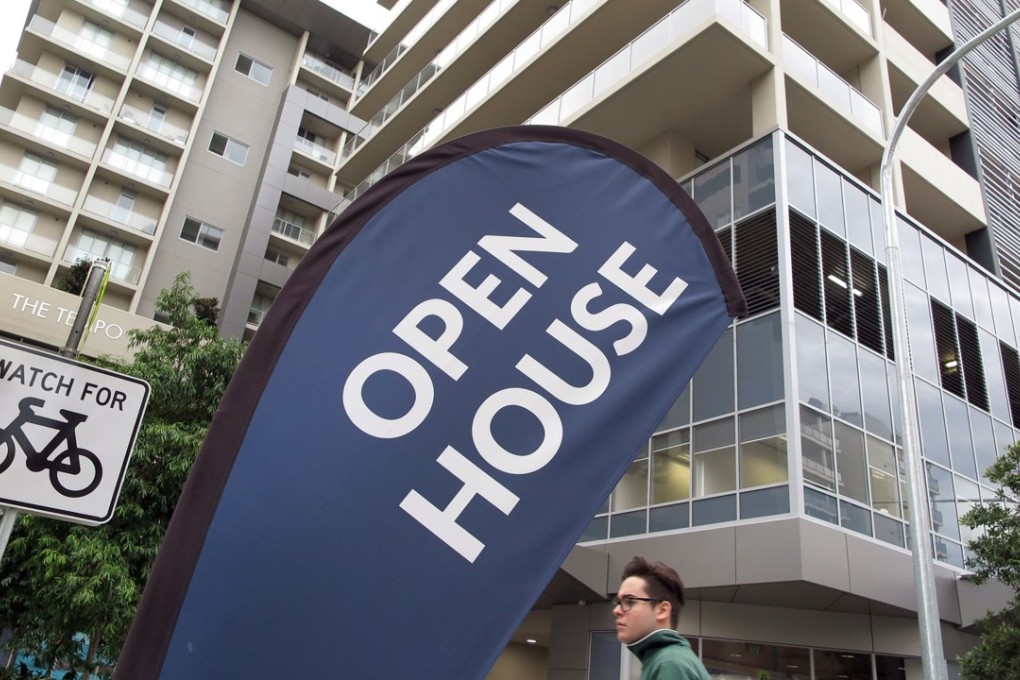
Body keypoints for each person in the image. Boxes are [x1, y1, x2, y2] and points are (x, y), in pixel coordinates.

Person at [613, 555, 710, 680]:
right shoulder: (664, 660)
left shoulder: (670, 664)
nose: (616, 610)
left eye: (630, 601)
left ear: (662, 610)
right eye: (618, 602)